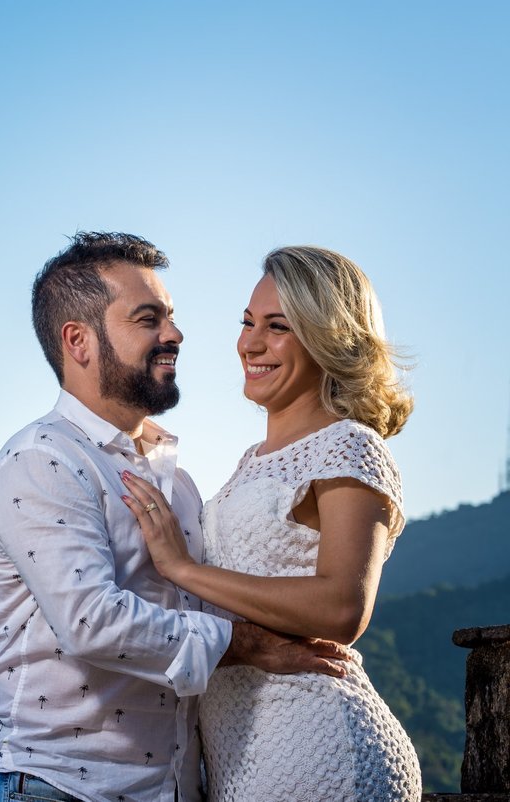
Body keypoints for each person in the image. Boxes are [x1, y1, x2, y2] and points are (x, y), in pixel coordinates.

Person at [0, 233, 348, 802]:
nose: (174, 335)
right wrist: (244, 644)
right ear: (79, 341)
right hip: (54, 786)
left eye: (170, 317)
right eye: (148, 319)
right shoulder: (42, 460)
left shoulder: (182, 485)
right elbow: (92, 621)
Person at [122, 245, 421, 801]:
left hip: (314, 739)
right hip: (242, 751)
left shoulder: (350, 447)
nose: (251, 344)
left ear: (326, 337)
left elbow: (342, 609)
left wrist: (182, 568)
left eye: (278, 327)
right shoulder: (251, 461)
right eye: (248, 322)